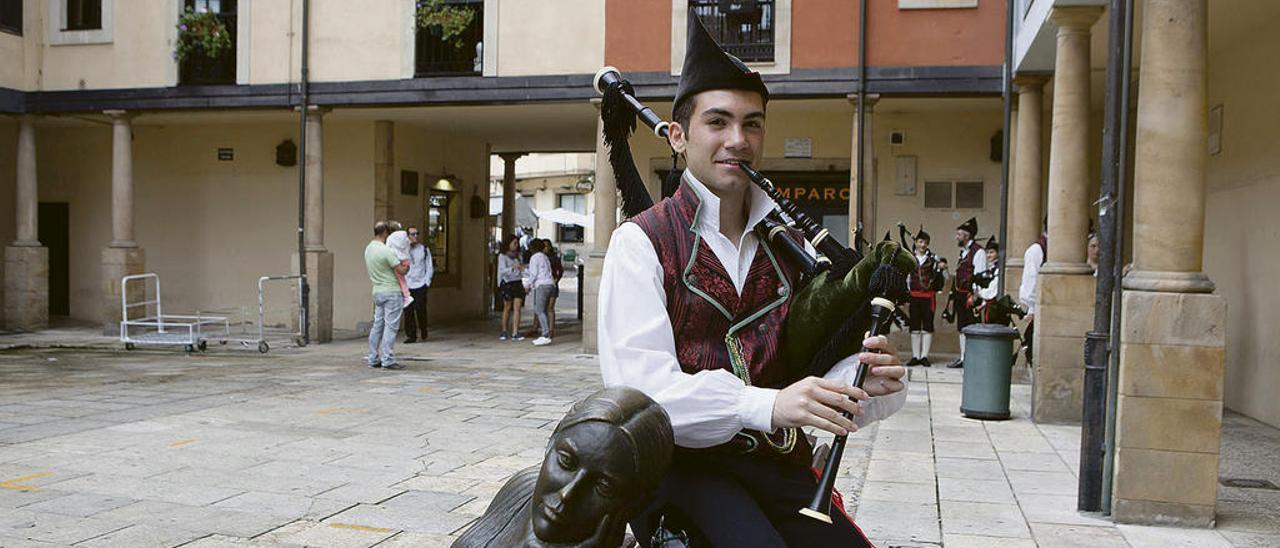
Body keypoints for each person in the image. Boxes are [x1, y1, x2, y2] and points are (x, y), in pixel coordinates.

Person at [598, 14, 905, 546]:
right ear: (678, 135)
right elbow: (642, 398)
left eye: (752, 123)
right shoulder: (641, 243)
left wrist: (860, 383)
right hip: (679, 472)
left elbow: (800, 371)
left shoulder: (788, 247)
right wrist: (765, 405)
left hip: (776, 467)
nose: (737, 140)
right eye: (717, 122)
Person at [452, 387, 673, 548]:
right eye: (566, 462)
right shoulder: (524, 488)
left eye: (603, 487)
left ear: (635, 504)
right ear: (551, 443)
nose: (567, 494)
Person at [365, 221, 408, 370]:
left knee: (377, 325)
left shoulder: (369, 249)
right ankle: (388, 359)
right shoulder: (385, 251)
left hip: (377, 291)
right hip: (391, 291)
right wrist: (407, 264)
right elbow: (401, 270)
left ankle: (372, 357)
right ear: (384, 233)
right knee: (391, 327)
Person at [947, 217, 988, 368]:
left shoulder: (978, 252)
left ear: (967, 235)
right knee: (962, 327)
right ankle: (964, 357)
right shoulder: (963, 252)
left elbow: (980, 277)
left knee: (972, 327)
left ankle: (972, 357)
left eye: (959, 234)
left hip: (970, 296)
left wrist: (976, 298)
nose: (957, 237)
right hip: (960, 294)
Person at [906, 228, 944, 367]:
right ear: (916, 242)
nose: (923, 245)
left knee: (927, 326)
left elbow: (941, 279)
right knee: (915, 327)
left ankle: (924, 356)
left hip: (928, 297)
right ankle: (915, 356)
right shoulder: (910, 258)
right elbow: (907, 277)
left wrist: (940, 270)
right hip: (914, 296)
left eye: (925, 242)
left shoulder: (933, 259)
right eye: (920, 241)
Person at [1018, 229, 1047, 365]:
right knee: (1029, 342)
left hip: (1044, 306)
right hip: (1040, 306)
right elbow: (1031, 279)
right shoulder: (1036, 250)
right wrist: (1033, 307)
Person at [402, 227, 433, 343]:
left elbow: (429, 266)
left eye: (417, 233)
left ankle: (423, 328)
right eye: (412, 234)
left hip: (420, 284)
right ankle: (411, 335)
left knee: (420, 309)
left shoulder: (424, 249)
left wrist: (427, 282)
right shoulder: (403, 250)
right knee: (408, 310)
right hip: (407, 284)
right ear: (407, 236)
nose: (415, 236)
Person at [525, 238, 557, 346]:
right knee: (547, 309)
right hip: (551, 284)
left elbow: (533, 274)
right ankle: (546, 332)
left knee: (539, 310)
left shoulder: (534, 258)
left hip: (542, 285)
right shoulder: (545, 257)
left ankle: (545, 333)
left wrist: (528, 285)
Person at [498, 234, 526, 341]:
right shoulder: (502, 256)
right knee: (507, 307)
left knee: (517, 307)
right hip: (508, 283)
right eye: (514, 243)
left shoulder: (518, 256)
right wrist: (512, 268)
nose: (516, 245)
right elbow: (502, 270)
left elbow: (521, 268)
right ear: (508, 244)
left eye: (517, 243)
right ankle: (504, 330)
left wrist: (522, 269)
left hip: (517, 282)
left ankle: (515, 331)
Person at [385, 221, 414, 308]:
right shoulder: (404, 235)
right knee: (402, 280)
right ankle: (406, 295)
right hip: (406, 259)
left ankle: (406, 296)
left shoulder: (390, 238)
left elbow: (387, 250)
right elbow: (409, 244)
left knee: (400, 280)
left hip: (398, 260)